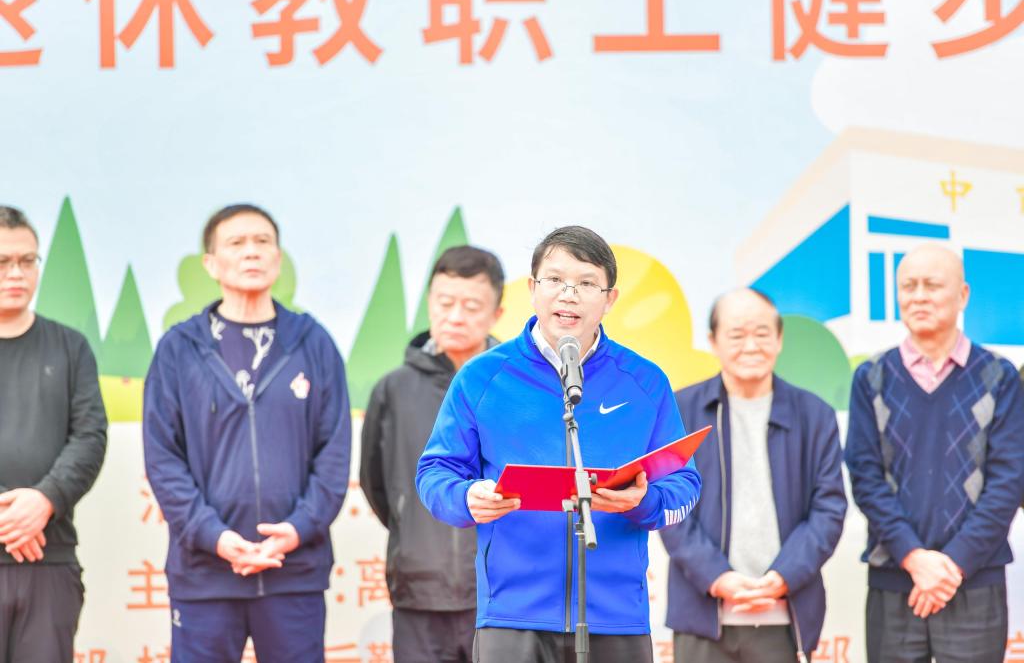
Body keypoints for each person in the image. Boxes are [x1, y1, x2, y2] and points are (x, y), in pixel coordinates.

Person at [416, 225, 702, 663]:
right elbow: (434, 473)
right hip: (512, 615)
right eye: (555, 280)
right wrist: (466, 498)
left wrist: (642, 502)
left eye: (586, 283)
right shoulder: (482, 377)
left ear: (610, 299)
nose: (569, 295)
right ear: (533, 289)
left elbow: (684, 485)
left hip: (616, 616)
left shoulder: (645, 382)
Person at [143, 204, 351, 661]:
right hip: (205, 575)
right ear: (211, 263)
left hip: (293, 571)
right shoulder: (179, 349)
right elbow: (163, 458)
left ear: (278, 257)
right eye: (236, 243)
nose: (251, 252)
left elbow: (334, 453)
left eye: (262, 242)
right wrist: (214, 536)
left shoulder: (314, 343)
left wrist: (296, 529)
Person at [845, 244, 1024, 663]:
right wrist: (914, 557)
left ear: (963, 295)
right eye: (908, 286)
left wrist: (953, 564)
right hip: (894, 581)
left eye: (932, 285)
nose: (919, 296)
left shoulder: (999, 377)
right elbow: (865, 477)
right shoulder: (871, 378)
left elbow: (1009, 480)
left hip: (975, 580)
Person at [662, 288, 846, 662]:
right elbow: (670, 506)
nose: (751, 346)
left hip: (785, 616)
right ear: (713, 341)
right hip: (702, 616)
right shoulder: (681, 410)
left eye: (762, 333)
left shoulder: (815, 415)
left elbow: (828, 509)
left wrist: (784, 577)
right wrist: (718, 577)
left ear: (779, 339)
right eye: (736, 334)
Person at [361, 245, 505, 663]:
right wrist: (412, 524)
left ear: (496, 314)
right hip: (419, 588)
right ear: (429, 303)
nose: (455, 316)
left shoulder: (515, 386)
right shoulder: (394, 389)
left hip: (502, 591)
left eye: (471, 306)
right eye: (444, 303)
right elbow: (376, 483)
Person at [0, 205, 107, 662]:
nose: (16, 273)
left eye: (27, 261)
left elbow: (89, 436)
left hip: (48, 556)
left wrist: (44, 500)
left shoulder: (70, 347)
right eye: (3, 262)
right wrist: (9, 518)